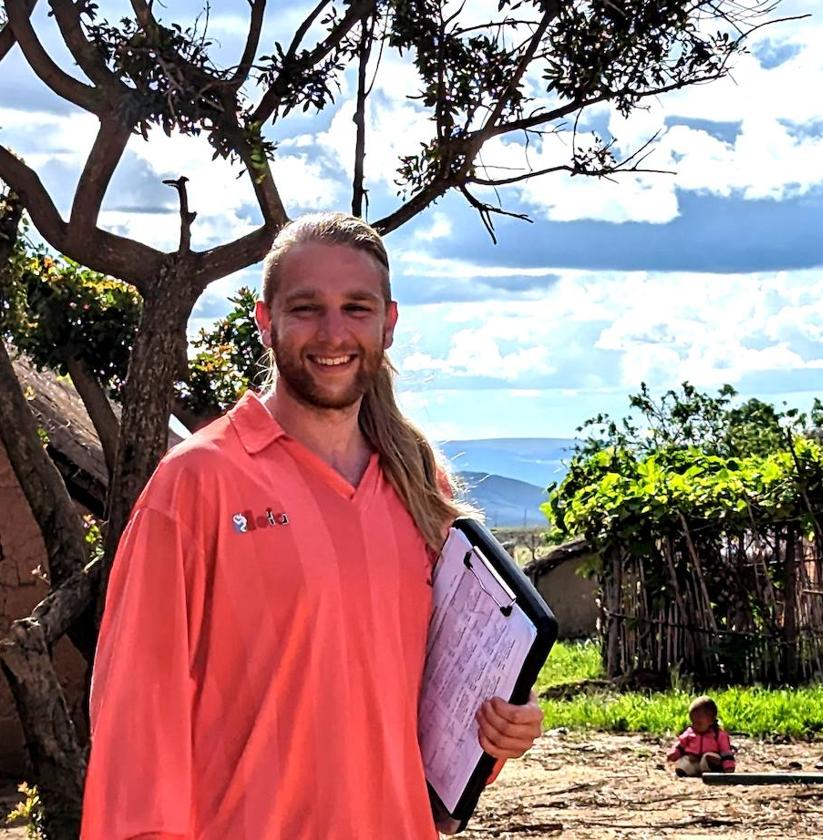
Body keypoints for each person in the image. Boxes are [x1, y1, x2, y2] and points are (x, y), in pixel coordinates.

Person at [81, 213, 544, 839]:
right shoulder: (196, 484)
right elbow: (134, 725)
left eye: (357, 308)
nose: (333, 332)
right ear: (265, 321)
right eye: (306, 308)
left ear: (388, 323)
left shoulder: (421, 490)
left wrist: (497, 727)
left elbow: (428, 712)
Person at [666, 696, 736, 777]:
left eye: (699, 723)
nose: (695, 726)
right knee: (684, 762)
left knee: (707, 757)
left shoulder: (718, 735)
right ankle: (687, 771)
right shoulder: (690, 732)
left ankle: (714, 770)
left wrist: (729, 765)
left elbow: (726, 752)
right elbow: (681, 745)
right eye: (693, 722)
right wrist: (674, 753)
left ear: (711, 720)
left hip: (710, 759)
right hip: (694, 760)